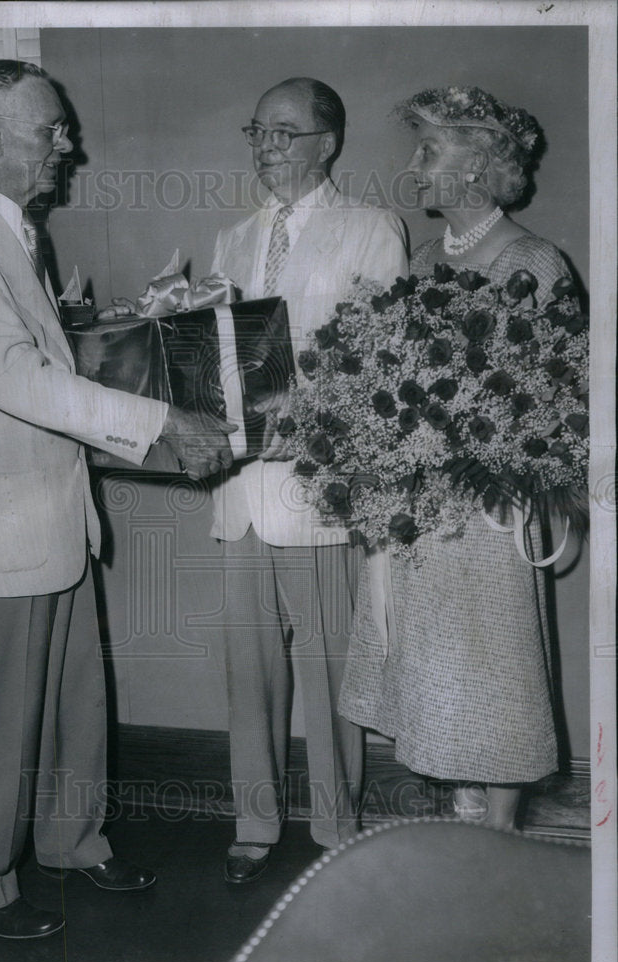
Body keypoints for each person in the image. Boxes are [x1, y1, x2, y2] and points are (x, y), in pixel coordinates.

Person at [0, 59, 235, 940]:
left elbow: (48, 361)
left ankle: (72, 842)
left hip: (50, 516)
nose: (67, 144)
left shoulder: (10, 229)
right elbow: (13, 377)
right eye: (51, 130)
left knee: (71, 704)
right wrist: (159, 418)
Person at [339, 85, 574, 830]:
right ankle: (462, 816)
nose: (413, 165)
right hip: (416, 506)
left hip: (488, 507)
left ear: (477, 169)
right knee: (436, 673)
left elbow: (551, 401)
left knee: (494, 668)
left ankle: (499, 835)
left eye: (429, 150)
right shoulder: (420, 259)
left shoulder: (536, 260)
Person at [210, 77, 408, 883]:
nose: (267, 145)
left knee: (332, 672)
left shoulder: (369, 228)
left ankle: (335, 831)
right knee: (244, 675)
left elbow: (380, 359)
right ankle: (254, 822)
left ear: (327, 143)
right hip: (239, 493)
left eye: (286, 132)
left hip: (319, 493)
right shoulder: (228, 240)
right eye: (258, 129)